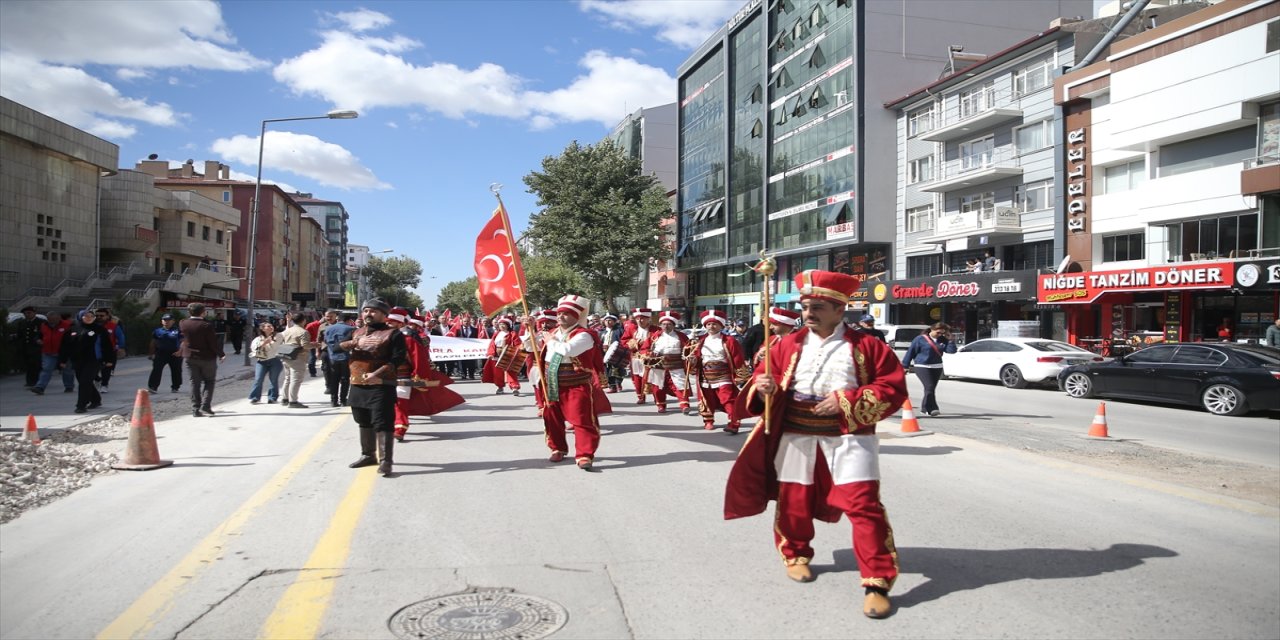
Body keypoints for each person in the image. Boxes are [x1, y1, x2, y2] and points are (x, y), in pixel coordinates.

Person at [724, 269, 908, 619]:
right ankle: (795, 553)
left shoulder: (868, 346)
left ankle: (877, 582)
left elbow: (893, 388)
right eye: (806, 306)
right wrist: (764, 388)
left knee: (863, 505)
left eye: (819, 306)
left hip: (849, 436)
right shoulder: (786, 345)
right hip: (796, 432)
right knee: (793, 498)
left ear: (840, 310)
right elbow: (766, 385)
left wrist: (847, 400)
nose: (809, 313)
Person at [522, 295, 606, 470]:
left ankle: (585, 454)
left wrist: (549, 341)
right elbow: (530, 347)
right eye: (559, 313)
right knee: (551, 417)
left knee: (581, 419)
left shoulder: (585, 335)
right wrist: (528, 329)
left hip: (576, 382)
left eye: (566, 313)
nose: (561, 317)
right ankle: (557, 447)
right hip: (551, 380)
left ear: (577, 316)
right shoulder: (551, 333)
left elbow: (567, 350)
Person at [341, 298, 408, 477]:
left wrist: (377, 374)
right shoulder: (356, 332)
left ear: (384, 315)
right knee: (362, 419)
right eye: (366, 311)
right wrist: (355, 343)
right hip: (357, 383)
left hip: (381, 384)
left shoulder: (393, 334)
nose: (368, 314)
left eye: (373, 311)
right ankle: (368, 455)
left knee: (383, 422)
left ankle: (386, 461)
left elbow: (398, 359)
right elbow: (334, 347)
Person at [689, 310, 749, 433]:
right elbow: (695, 356)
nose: (711, 326)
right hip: (705, 375)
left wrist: (740, 375)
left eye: (715, 324)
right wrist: (693, 360)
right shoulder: (700, 341)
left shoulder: (729, 340)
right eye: (709, 324)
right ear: (705, 326)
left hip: (723, 375)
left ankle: (734, 422)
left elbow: (737, 357)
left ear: (721, 325)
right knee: (707, 399)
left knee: (727, 399)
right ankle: (708, 421)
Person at [60, 309, 116, 414]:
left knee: (85, 381)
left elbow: (107, 346)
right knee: (84, 381)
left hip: (94, 360)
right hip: (77, 360)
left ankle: (81, 405)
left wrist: (109, 360)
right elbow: (65, 346)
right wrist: (62, 360)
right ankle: (96, 400)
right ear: (81, 317)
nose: (89, 318)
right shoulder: (72, 330)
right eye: (86, 316)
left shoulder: (99, 329)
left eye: (91, 316)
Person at [901, 323, 957, 417]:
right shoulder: (920, 339)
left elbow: (951, 351)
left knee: (930, 389)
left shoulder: (943, 340)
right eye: (938, 332)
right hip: (922, 366)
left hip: (937, 366)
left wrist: (950, 340)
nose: (940, 335)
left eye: (942, 333)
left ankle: (924, 408)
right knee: (929, 386)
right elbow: (911, 352)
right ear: (932, 329)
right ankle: (932, 408)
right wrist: (905, 366)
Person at [179, 303, 225, 417]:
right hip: (207, 357)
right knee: (209, 381)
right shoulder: (206, 325)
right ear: (203, 312)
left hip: (190, 357)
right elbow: (212, 342)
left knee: (194, 383)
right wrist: (221, 354)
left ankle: (195, 408)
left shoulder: (183, 323)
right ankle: (206, 406)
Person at [643, 311, 692, 414]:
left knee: (680, 385)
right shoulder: (655, 336)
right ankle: (661, 405)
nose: (666, 326)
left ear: (674, 325)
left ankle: (684, 405)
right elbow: (645, 348)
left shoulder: (681, 336)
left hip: (676, 365)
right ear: (660, 325)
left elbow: (690, 349)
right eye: (664, 324)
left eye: (669, 324)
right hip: (659, 365)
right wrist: (648, 354)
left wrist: (691, 356)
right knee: (658, 386)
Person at [31, 311, 74, 395]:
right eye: (50, 320)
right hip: (48, 352)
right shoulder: (44, 325)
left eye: (54, 320)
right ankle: (40, 387)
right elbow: (39, 335)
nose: (51, 322)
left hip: (64, 352)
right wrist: (38, 340)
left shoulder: (67, 326)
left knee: (67, 370)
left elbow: (71, 340)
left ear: (58, 318)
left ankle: (69, 386)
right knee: (46, 369)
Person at [279, 312, 315, 408]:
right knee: (296, 379)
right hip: (298, 357)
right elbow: (306, 345)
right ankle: (293, 401)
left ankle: (285, 399)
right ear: (303, 321)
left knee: (287, 378)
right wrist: (315, 345)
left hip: (286, 356)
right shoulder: (303, 332)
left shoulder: (287, 331)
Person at [620, 308, 654, 404]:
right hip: (635, 357)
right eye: (638, 318)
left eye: (643, 318)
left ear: (648, 319)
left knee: (650, 377)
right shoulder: (632, 329)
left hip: (649, 358)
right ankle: (640, 396)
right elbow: (623, 340)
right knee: (636, 377)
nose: (640, 321)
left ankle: (658, 398)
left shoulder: (655, 329)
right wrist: (631, 343)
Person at [482, 317, 522, 396]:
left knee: (511, 372)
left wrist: (512, 352)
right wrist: (490, 353)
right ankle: (500, 386)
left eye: (503, 324)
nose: (502, 326)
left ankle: (514, 387)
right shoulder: (497, 334)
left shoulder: (512, 334)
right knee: (497, 372)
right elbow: (492, 344)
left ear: (508, 325)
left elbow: (518, 344)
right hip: (497, 354)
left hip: (508, 354)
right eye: (500, 324)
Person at [324, 312, 356, 407]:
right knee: (345, 379)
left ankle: (333, 401)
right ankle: (343, 400)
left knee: (334, 379)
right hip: (346, 357)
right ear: (349, 320)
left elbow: (325, 341)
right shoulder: (351, 329)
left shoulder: (328, 328)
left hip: (332, 356)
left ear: (338, 319)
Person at [248, 322, 284, 404]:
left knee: (273, 380)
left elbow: (287, 331)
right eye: (268, 326)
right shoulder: (257, 339)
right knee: (258, 379)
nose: (271, 327)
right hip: (261, 362)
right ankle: (255, 397)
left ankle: (272, 397)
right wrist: (264, 343)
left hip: (274, 360)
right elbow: (254, 350)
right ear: (262, 329)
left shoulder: (278, 336)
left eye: (271, 325)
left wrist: (288, 320)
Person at [147, 314, 183, 394]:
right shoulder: (158, 331)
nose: (166, 322)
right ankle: (153, 387)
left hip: (175, 353)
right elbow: (153, 342)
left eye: (168, 320)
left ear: (173, 321)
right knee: (157, 369)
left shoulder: (177, 330)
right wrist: (151, 354)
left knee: (176, 370)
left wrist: (180, 351)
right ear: (162, 321)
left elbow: (182, 341)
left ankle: (175, 386)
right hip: (161, 353)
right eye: (164, 320)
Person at [94, 308, 126, 393]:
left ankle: (104, 385)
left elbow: (121, 337)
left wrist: (120, 347)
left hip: (108, 351)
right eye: (97, 315)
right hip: (93, 352)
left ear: (107, 316)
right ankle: (97, 379)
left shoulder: (113, 326)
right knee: (92, 369)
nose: (99, 317)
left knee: (106, 369)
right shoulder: (92, 326)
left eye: (102, 316)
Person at [599, 314, 627, 393]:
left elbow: (623, 341)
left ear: (614, 322)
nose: (608, 322)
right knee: (607, 370)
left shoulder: (619, 331)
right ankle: (612, 386)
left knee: (617, 369)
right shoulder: (601, 332)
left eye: (610, 320)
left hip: (617, 352)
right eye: (606, 320)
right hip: (604, 353)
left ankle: (618, 383)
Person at [16, 306, 43, 388]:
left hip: (36, 347)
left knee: (35, 364)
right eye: (25, 313)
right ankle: (29, 381)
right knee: (28, 364)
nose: (27, 315)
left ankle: (35, 380)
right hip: (26, 347)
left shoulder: (40, 322)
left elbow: (44, 333)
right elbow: (20, 335)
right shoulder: (22, 322)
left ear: (34, 313)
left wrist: (40, 340)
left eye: (29, 313)